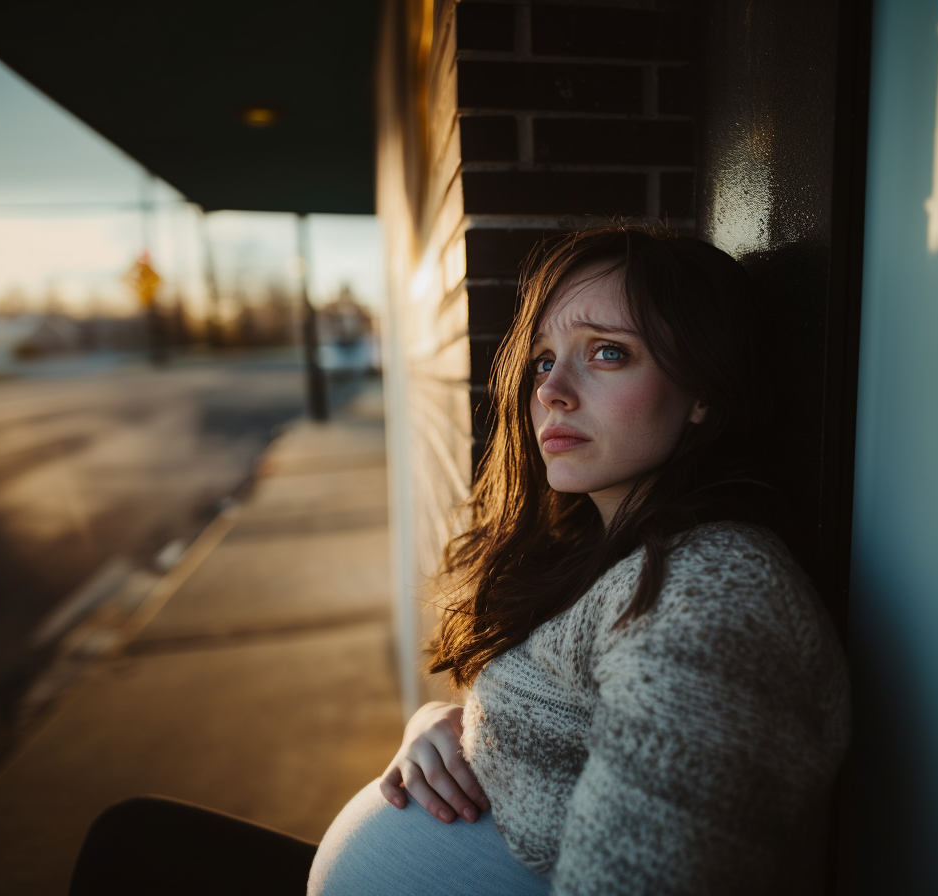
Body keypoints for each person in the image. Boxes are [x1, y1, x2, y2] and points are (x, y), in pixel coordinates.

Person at [69, 225, 850, 896]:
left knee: (134, 851)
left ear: (702, 393)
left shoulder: (713, 596)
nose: (554, 391)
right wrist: (450, 726)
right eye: (544, 359)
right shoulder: (604, 551)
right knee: (133, 841)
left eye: (608, 354)